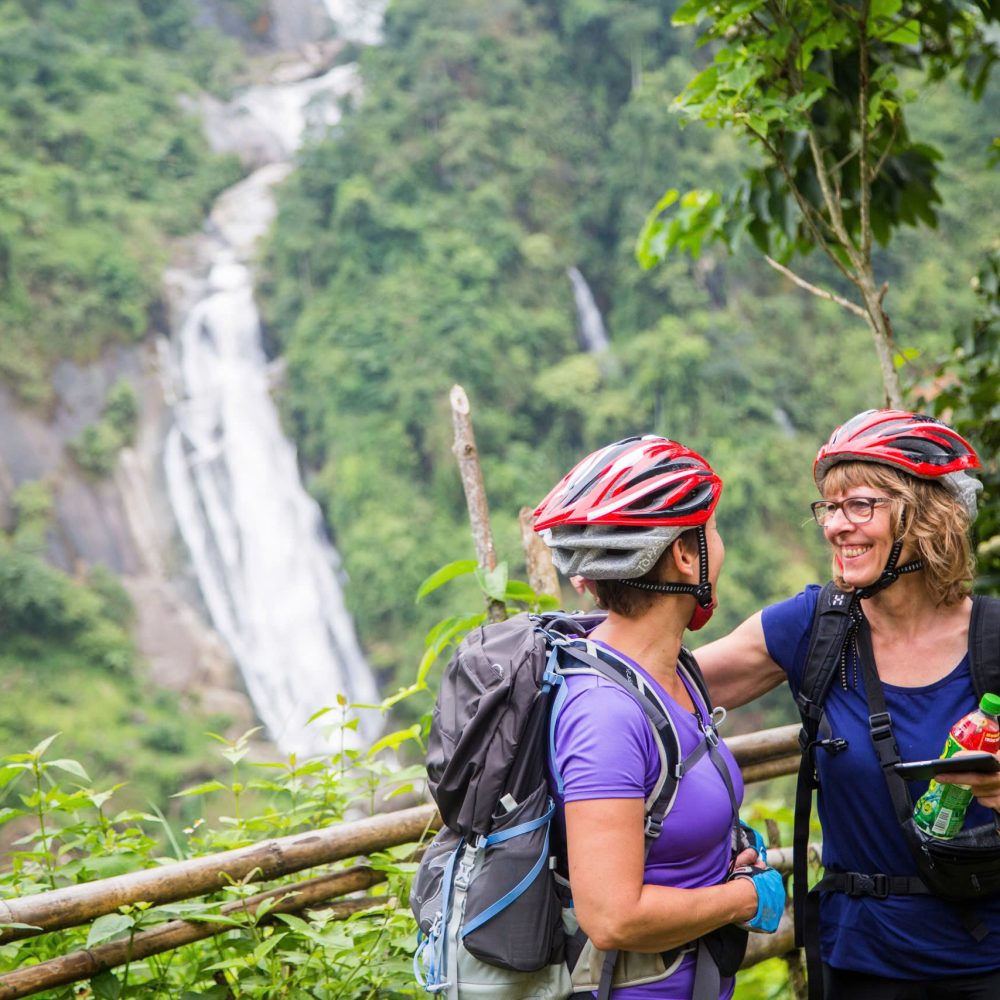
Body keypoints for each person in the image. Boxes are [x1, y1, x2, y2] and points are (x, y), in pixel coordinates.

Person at [695, 409, 1000, 1000]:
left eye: (860, 505)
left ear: (927, 515)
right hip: (859, 965)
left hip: (986, 963)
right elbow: (665, 683)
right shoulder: (815, 627)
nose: (838, 526)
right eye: (830, 508)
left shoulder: (992, 640)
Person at [532, 435, 785, 1000]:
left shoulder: (674, 676)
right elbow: (612, 917)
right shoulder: (605, 713)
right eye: (713, 530)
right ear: (684, 554)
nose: (721, 548)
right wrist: (743, 899)